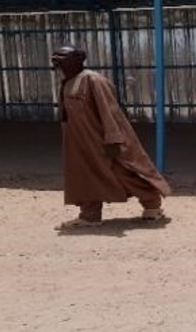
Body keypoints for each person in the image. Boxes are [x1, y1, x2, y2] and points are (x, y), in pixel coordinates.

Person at [50, 45, 171, 229]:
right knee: (84, 176)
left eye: (62, 61)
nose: (59, 67)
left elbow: (110, 112)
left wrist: (113, 138)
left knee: (122, 172)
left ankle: (152, 205)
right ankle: (89, 216)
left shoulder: (93, 80)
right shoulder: (68, 82)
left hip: (101, 140)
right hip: (80, 142)